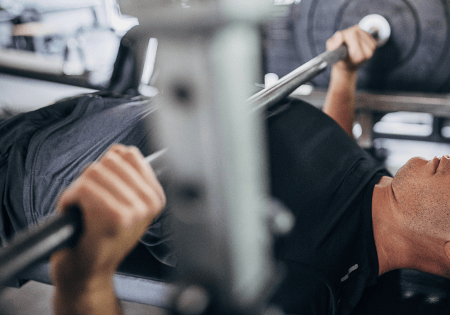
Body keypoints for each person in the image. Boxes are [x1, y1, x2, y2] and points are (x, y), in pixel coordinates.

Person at [2, 25, 448, 314]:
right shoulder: (370, 193)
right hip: (67, 121)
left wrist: (84, 281)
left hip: (24, 181)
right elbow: (332, 161)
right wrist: (344, 77)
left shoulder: (299, 287)